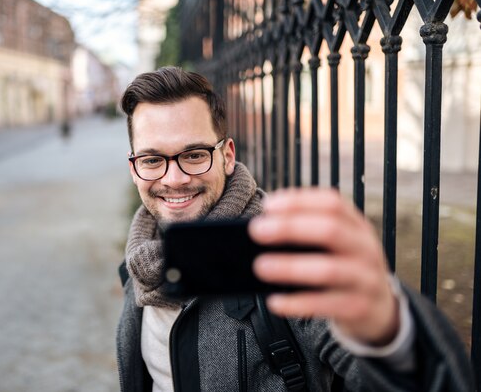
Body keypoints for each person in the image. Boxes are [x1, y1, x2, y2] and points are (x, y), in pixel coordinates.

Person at [117, 67, 474, 391]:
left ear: (227, 156)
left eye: (194, 154)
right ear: (135, 169)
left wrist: (392, 332)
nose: (174, 178)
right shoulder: (139, 262)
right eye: (152, 160)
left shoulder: (286, 259)